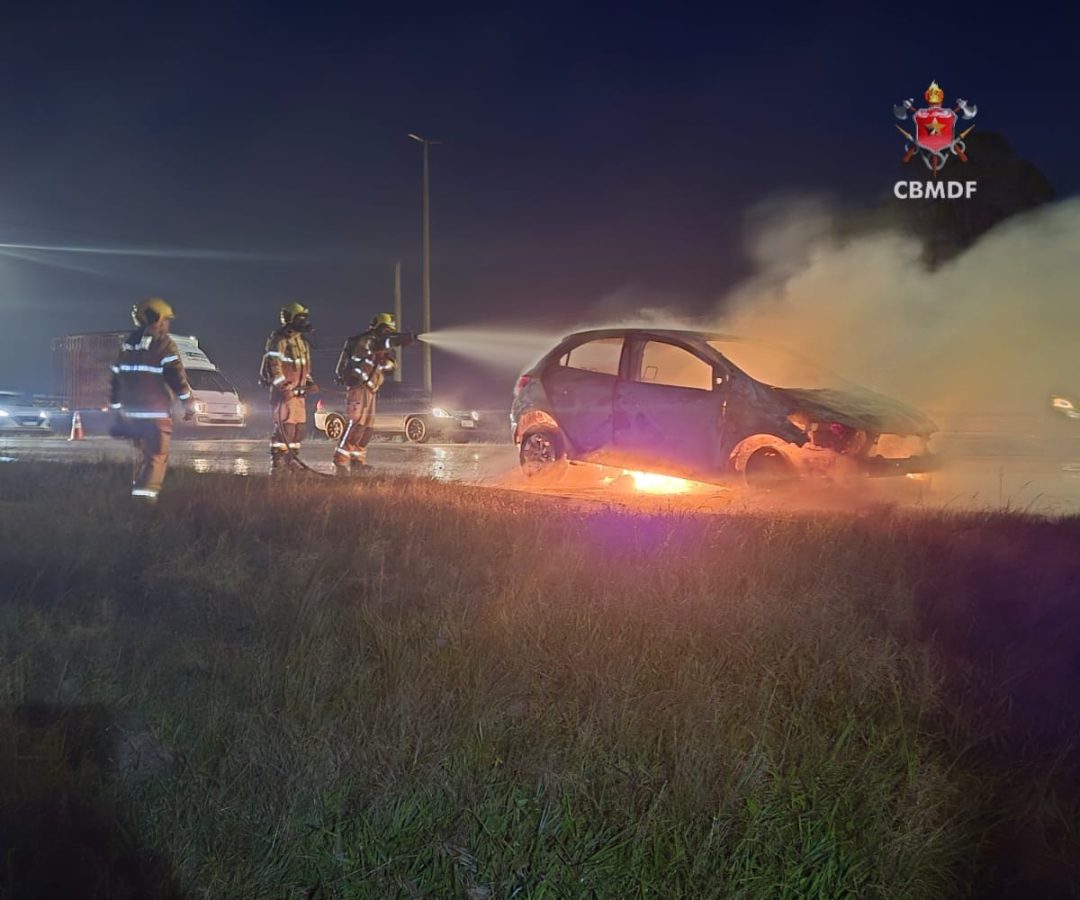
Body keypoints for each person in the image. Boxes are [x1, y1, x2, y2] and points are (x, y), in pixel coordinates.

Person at [109, 297, 195, 502]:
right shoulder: (164, 344)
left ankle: (135, 495)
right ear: (156, 318)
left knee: (142, 458)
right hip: (155, 414)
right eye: (166, 319)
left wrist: (117, 410)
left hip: (131, 415)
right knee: (156, 458)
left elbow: (115, 380)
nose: (168, 324)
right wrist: (188, 403)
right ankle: (144, 504)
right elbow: (177, 377)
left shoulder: (128, 345)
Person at [332, 312, 414, 475]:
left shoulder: (379, 348)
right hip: (358, 390)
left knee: (365, 430)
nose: (389, 335)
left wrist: (388, 362)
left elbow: (390, 367)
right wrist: (397, 340)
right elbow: (374, 347)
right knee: (355, 427)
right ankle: (340, 462)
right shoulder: (366, 341)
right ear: (380, 329)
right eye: (387, 331)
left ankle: (358, 462)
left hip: (370, 392)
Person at [261, 303, 317, 474]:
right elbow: (274, 366)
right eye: (300, 317)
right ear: (290, 319)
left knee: (298, 430)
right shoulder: (279, 340)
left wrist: (309, 382)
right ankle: (278, 462)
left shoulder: (302, 342)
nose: (303, 321)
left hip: (299, 395)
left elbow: (305, 368)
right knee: (285, 429)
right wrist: (283, 387)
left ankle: (291, 461)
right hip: (284, 394)